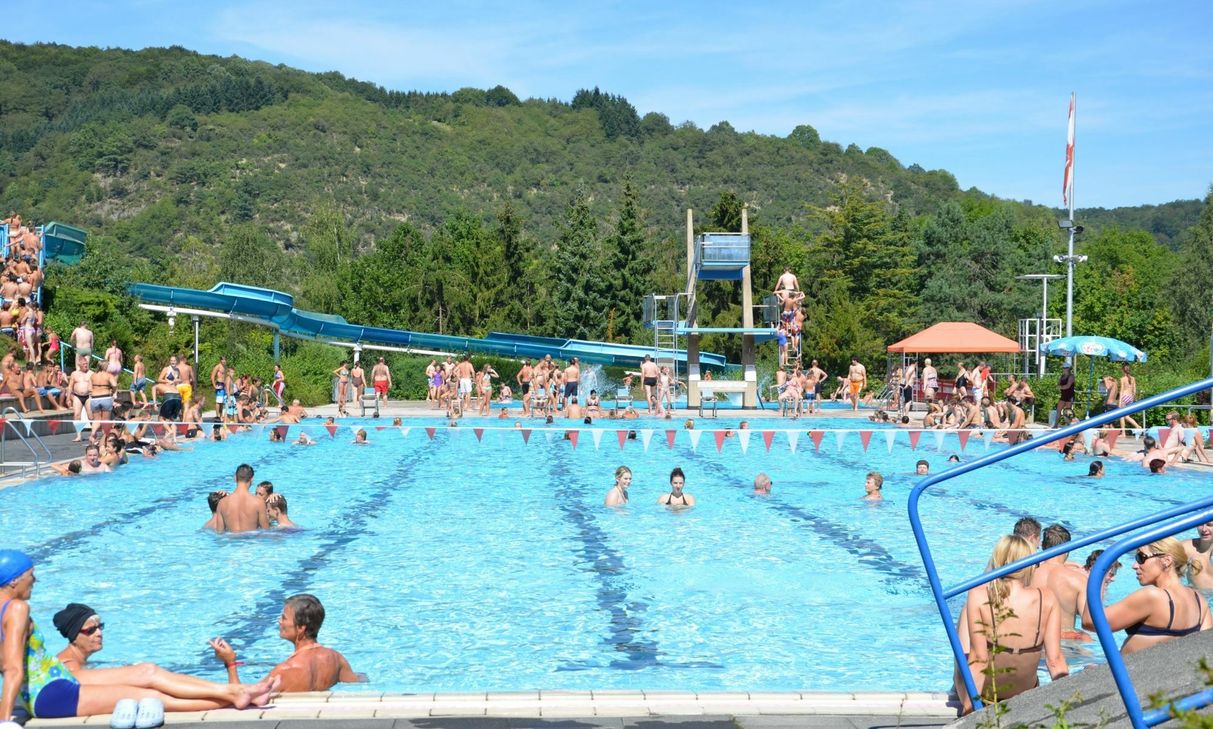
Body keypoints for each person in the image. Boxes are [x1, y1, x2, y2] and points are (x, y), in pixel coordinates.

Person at [0, 552, 278, 723]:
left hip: (46, 687)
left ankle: (234, 692)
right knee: (151, 696)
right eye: (30, 576)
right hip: (49, 693)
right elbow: (12, 667)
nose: (34, 581)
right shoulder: (18, 608)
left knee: (148, 671)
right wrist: (5, 720)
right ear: (14, 581)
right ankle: (235, 696)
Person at [50, 602, 278, 712]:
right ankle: (235, 693)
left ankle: (236, 694)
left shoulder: (78, 662)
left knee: (150, 680)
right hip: (69, 700)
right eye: (90, 630)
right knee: (149, 680)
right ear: (73, 636)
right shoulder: (67, 666)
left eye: (101, 627)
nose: (99, 633)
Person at [957, 536, 1068, 713]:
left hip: (988, 696)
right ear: (1030, 563)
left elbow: (979, 659)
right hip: (1026, 693)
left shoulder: (979, 595)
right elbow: (1055, 660)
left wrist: (969, 710)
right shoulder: (1047, 598)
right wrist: (1068, 704)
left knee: (962, 643)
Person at [210, 594, 366, 692]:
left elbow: (241, 698)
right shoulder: (335, 658)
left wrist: (230, 663)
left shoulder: (286, 670)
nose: (279, 621)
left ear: (300, 628)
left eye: (284, 618)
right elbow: (360, 680)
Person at [1081, 537, 1211, 654]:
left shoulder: (1152, 596)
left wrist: (1098, 577)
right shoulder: (1200, 601)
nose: (1134, 565)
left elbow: (1090, 622)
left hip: (1131, 677)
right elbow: (1204, 650)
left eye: (1141, 558)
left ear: (1166, 561)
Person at [1029, 524, 1092, 641]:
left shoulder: (1028, 575)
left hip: (1032, 641)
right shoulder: (1078, 580)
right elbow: (1087, 622)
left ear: (1043, 546)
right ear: (1068, 548)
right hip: (1065, 641)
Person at [213, 464, 269, 534]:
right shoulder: (258, 502)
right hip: (251, 543)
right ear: (252, 479)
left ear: (235, 478)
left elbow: (220, 533)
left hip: (230, 543)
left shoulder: (222, 503)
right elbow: (266, 532)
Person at [1182, 521, 1213, 591]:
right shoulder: (1186, 548)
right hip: (1196, 598)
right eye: (1200, 524)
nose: (1204, 529)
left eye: (1210, 525)